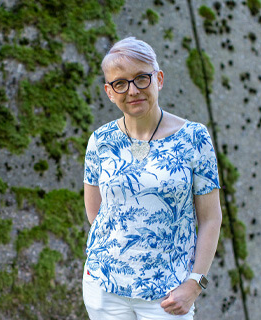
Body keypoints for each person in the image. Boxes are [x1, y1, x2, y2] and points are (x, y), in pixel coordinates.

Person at [82, 37, 222, 320]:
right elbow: (95, 212)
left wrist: (195, 283)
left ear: (158, 79)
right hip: (104, 290)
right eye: (120, 83)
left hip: (167, 296)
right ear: (110, 92)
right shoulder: (100, 141)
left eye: (141, 78)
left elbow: (210, 218)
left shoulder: (194, 138)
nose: (132, 90)